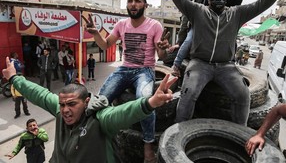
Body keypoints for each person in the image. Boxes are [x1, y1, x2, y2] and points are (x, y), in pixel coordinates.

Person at [165, 0, 286, 125]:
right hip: (200, 64)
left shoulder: (237, 14)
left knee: (243, 95)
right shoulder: (198, 11)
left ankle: (240, 133)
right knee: (189, 92)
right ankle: (177, 131)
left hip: (226, 67)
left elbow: (263, 3)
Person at [2, 56, 177, 163]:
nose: (65, 110)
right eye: (62, 105)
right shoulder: (59, 110)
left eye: (72, 104)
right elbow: (38, 93)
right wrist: (14, 78)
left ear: (86, 102)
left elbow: (124, 113)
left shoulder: (100, 119)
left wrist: (151, 102)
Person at [85, 0, 170, 162]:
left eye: (137, 1)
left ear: (145, 4)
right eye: (130, 1)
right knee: (100, 99)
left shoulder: (154, 25)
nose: (133, 4)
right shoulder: (121, 25)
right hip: (125, 69)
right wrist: (95, 33)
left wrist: (162, 50)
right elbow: (105, 45)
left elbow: (161, 56)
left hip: (145, 70)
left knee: (145, 100)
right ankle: (96, 135)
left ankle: (148, 144)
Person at [171, 0, 248, 76]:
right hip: (199, 24)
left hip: (218, 25)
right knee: (188, 41)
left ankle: (231, 69)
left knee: (232, 43)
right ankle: (176, 65)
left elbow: (234, 4)